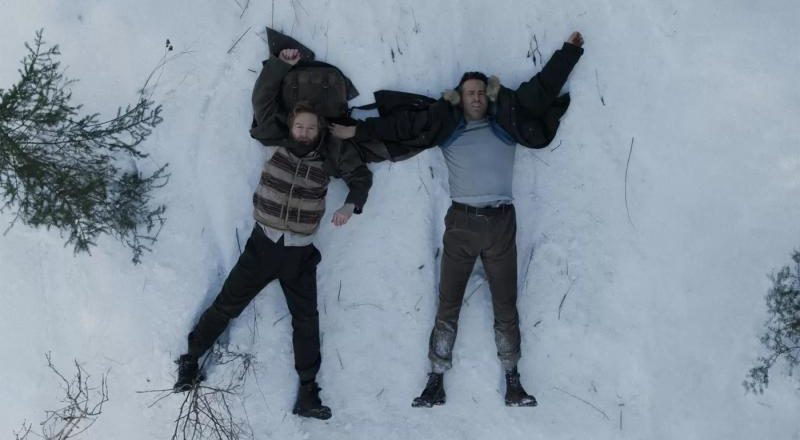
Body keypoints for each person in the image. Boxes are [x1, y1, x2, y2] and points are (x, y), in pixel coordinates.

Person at [331, 32, 585, 407]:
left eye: (481, 92)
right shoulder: (447, 130)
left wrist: (569, 52)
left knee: (505, 306)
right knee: (448, 304)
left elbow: (541, 89)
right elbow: (404, 126)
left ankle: (513, 380)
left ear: (489, 96)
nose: (476, 98)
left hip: (501, 224)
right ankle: (435, 380)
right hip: (461, 224)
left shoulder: (506, 125)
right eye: (469, 93)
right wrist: (359, 130)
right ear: (460, 98)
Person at [173, 48, 372, 421]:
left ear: (319, 130)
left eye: (311, 128)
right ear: (291, 126)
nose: (305, 132)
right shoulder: (276, 141)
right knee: (228, 304)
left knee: (306, 321)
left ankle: (308, 393)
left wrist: (351, 205)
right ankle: (190, 360)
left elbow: (361, 177)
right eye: (300, 127)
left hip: (299, 254)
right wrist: (281, 65)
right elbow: (262, 101)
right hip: (262, 246)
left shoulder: (330, 155)